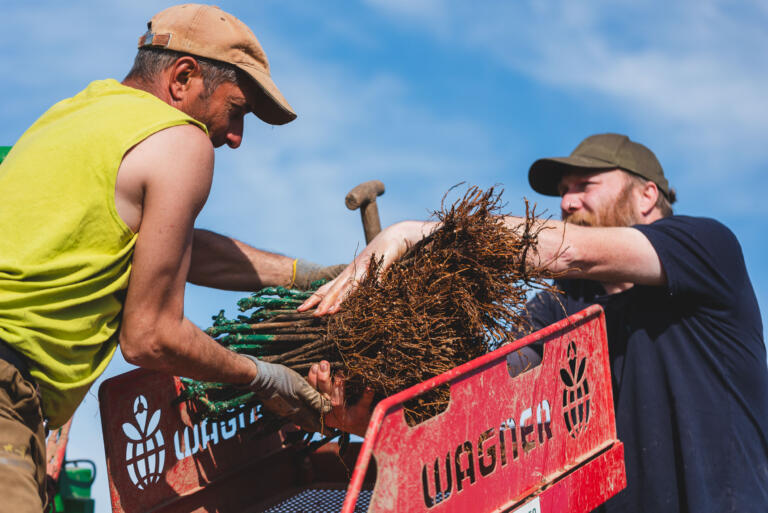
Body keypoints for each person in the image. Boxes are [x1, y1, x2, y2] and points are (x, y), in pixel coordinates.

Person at [302, 133, 768, 511]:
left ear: (647, 195)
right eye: (563, 191)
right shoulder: (559, 308)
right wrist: (379, 409)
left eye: (584, 186)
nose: (566, 202)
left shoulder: (706, 249)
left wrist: (412, 235)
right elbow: (481, 402)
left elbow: (570, 251)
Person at [0, 5, 341, 511]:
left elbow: (165, 240)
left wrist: (305, 276)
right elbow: (150, 335)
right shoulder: (181, 141)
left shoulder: (73, 116)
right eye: (237, 110)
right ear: (184, 77)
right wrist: (265, 376)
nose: (234, 137)